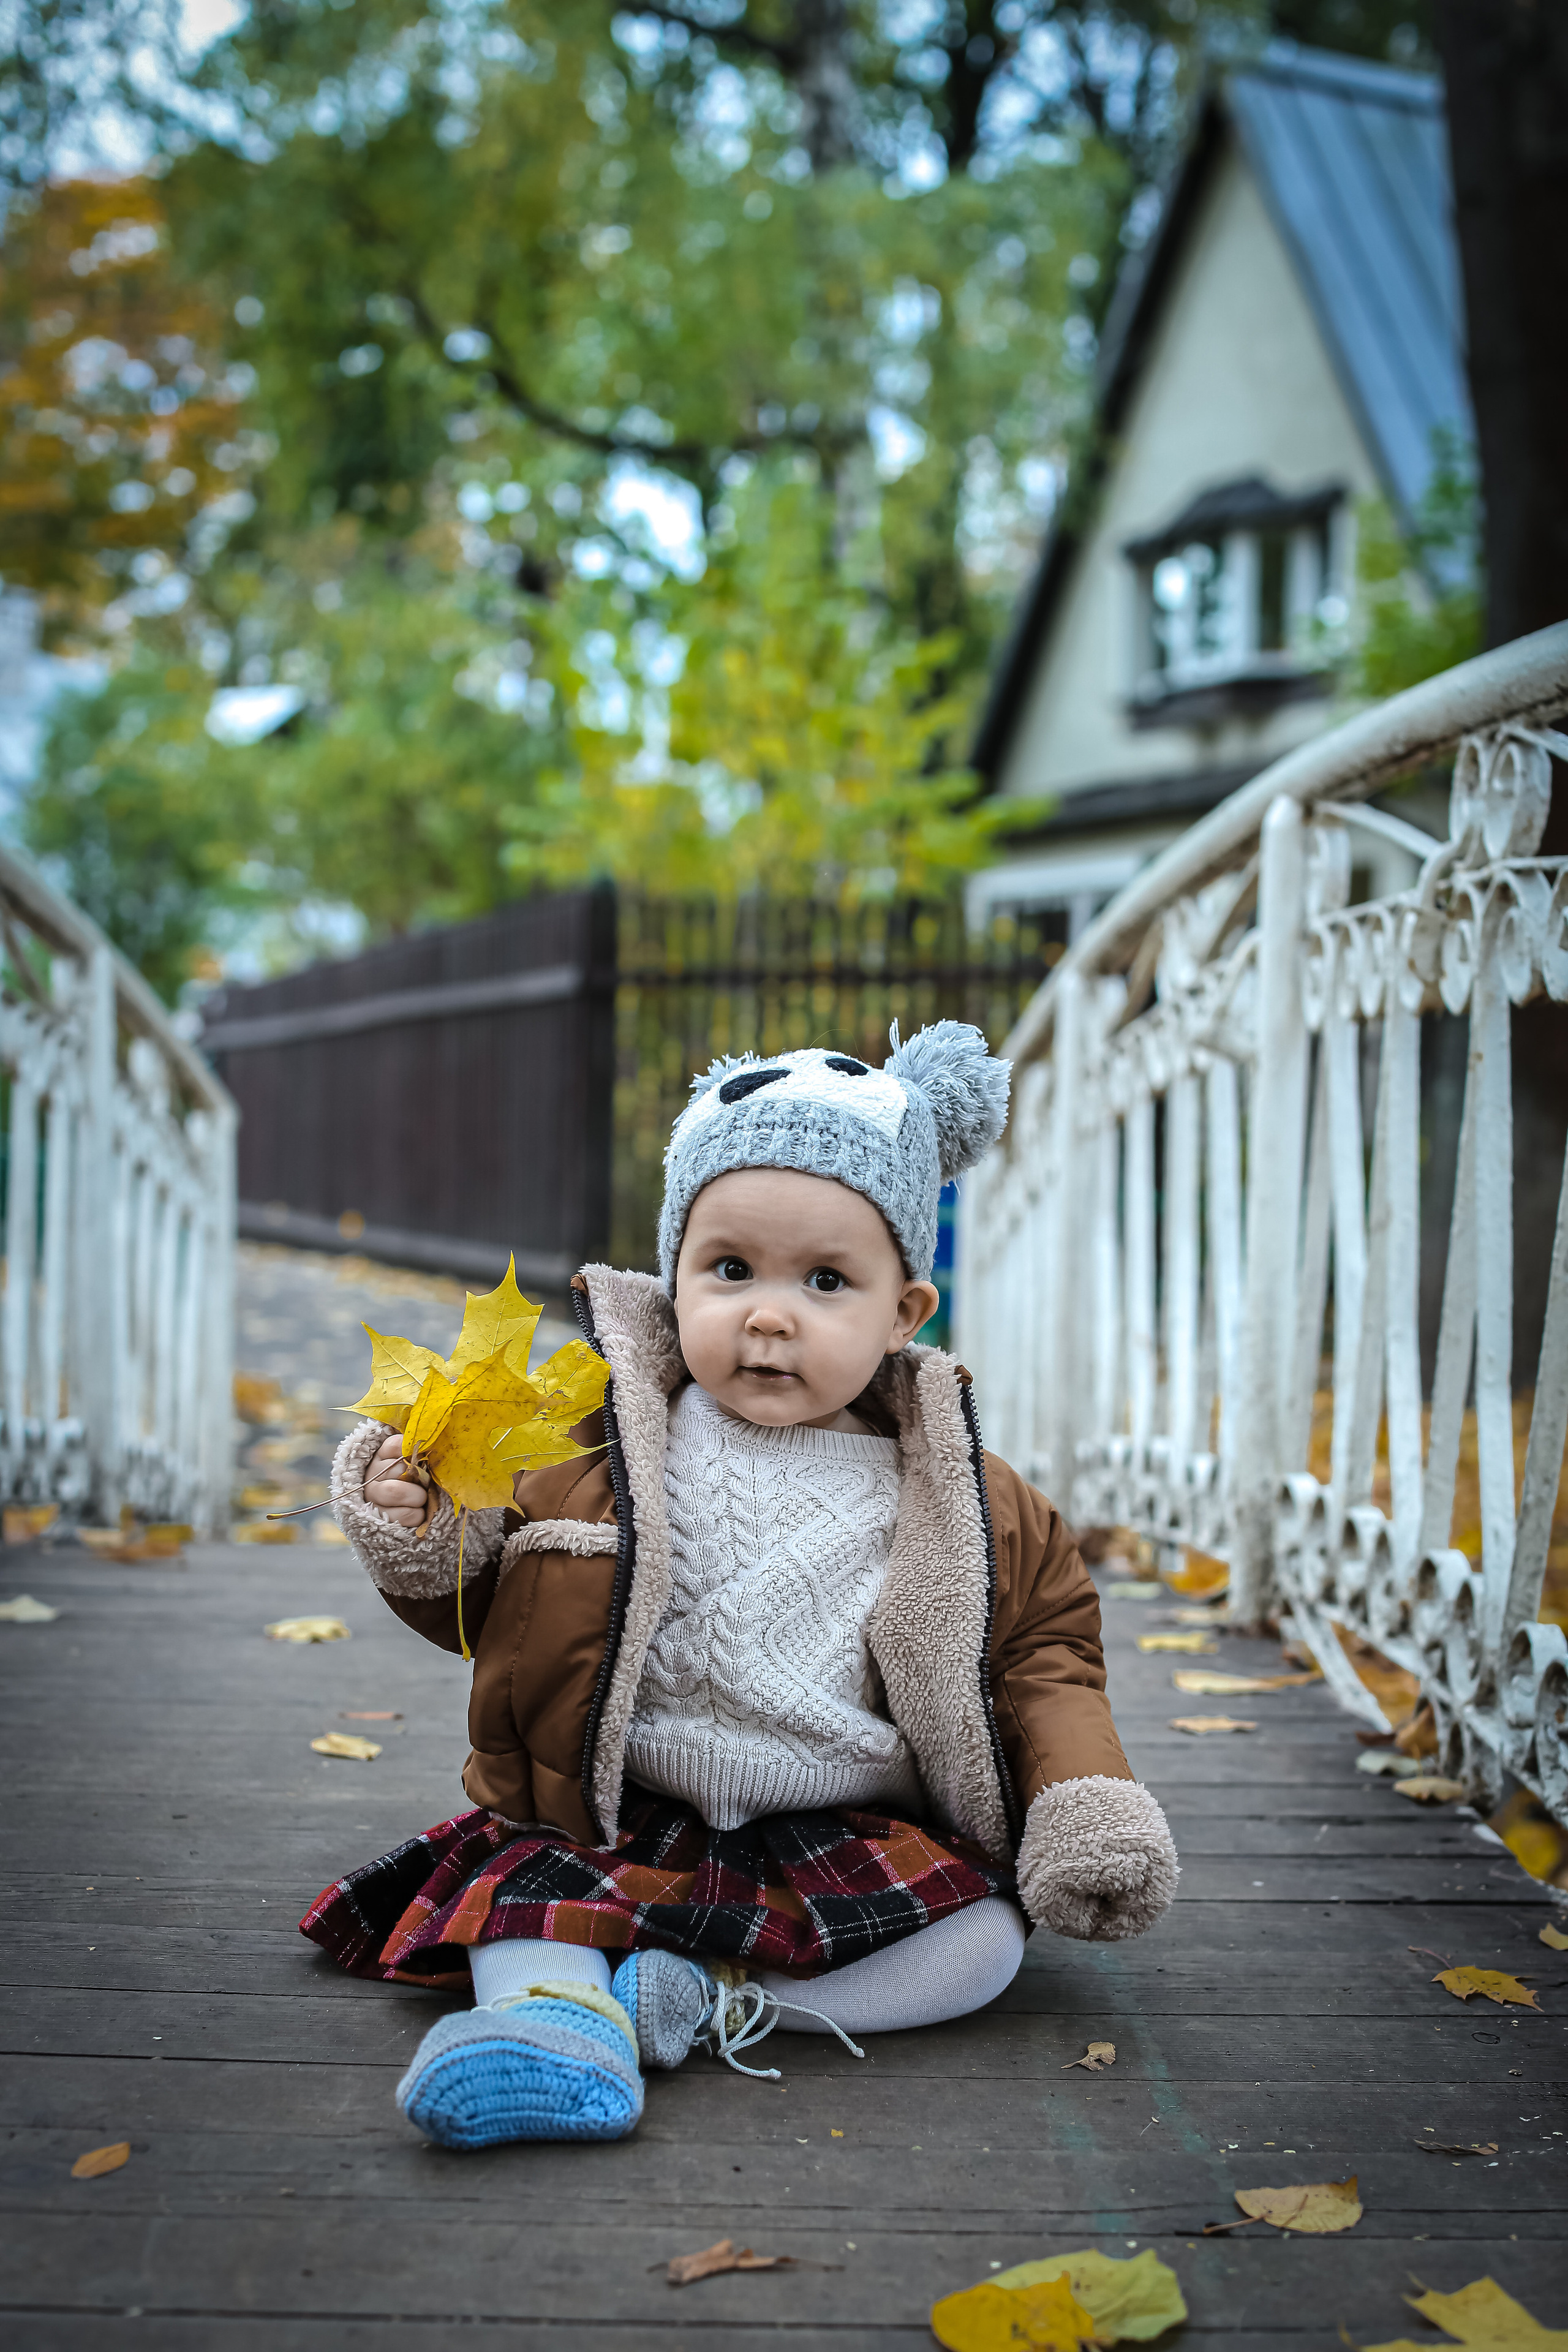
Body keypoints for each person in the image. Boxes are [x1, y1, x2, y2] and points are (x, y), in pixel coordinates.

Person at [304, 1023, 1177, 2148]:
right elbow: (489, 1615)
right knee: (525, 1900)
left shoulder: (966, 1497)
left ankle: (711, 2005)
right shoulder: (600, 1450)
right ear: (674, 1278)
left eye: (825, 1281)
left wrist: (1080, 1801)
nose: (770, 1315)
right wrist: (422, 1527)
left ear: (904, 1313)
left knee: (982, 1945)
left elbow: (1044, 1659)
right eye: (730, 1271)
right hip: (625, 1809)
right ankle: (553, 2024)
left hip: (834, 1817)